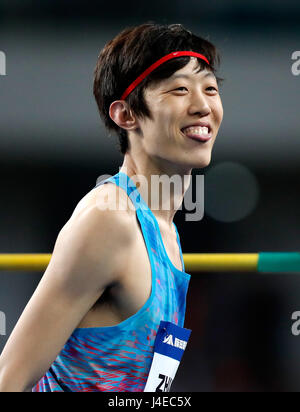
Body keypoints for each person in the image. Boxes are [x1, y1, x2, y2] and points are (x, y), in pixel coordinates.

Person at [0, 22, 223, 392]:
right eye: (180, 90)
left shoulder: (164, 230)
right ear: (126, 115)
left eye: (210, 89)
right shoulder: (109, 222)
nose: (202, 106)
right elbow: (8, 379)